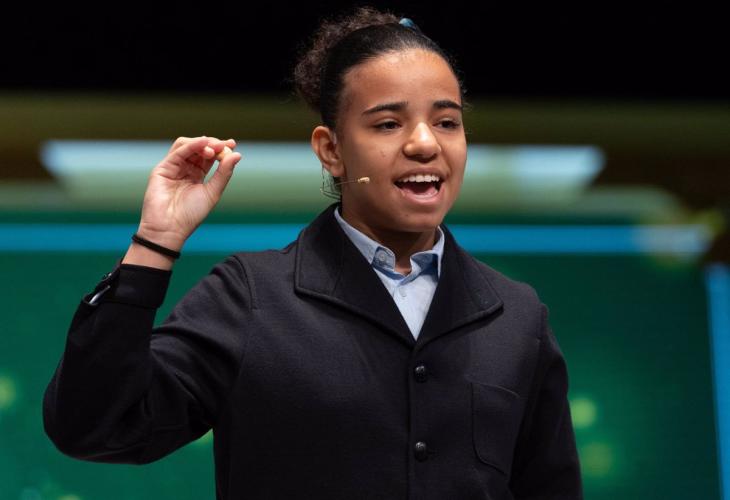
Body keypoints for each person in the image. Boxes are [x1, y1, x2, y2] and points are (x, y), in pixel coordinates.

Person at [43, 6, 583, 499]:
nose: (425, 143)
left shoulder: (518, 317)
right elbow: (97, 427)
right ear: (331, 150)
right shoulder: (250, 297)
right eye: (388, 124)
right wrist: (154, 242)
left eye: (447, 122)